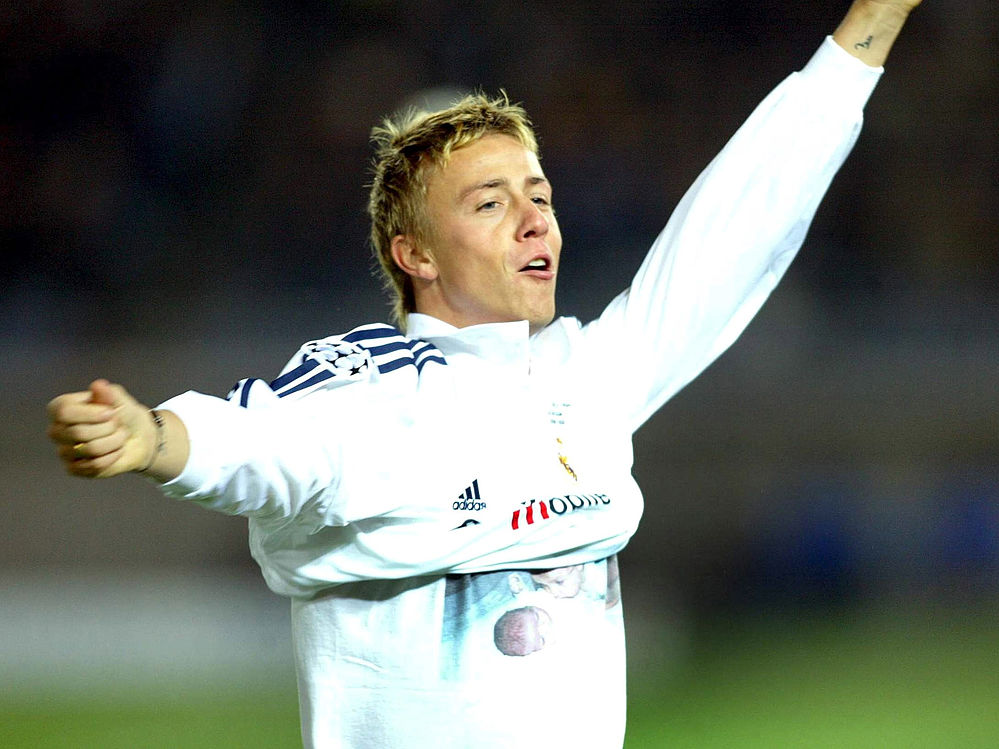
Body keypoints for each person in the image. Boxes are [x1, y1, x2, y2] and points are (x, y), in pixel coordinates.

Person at [46, 2, 924, 746]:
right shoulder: (371, 391)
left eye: (539, 195)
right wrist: (155, 436)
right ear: (414, 251)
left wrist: (871, 21)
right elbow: (262, 441)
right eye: (491, 202)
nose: (534, 221)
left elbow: (738, 222)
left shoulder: (587, 375)